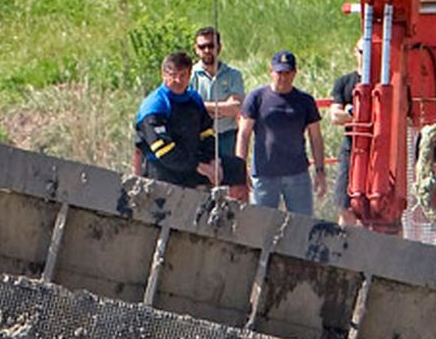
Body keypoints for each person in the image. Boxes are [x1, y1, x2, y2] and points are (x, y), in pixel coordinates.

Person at [135, 51, 246, 190]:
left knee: (236, 168)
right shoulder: (154, 105)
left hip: (192, 162)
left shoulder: (194, 99)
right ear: (163, 75)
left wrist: (212, 161)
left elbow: (207, 133)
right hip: (163, 167)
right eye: (173, 75)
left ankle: (237, 209)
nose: (178, 81)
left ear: (189, 75)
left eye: (183, 75)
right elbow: (163, 150)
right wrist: (198, 166)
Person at [236, 50, 326, 215]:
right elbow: (244, 134)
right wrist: (240, 168)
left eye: (287, 72)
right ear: (271, 72)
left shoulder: (305, 101)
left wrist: (320, 171)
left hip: (297, 174)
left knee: (302, 226)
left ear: (294, 73)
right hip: (264, 175)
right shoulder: (257, 98)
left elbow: (316, 137)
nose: (283, 77)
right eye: (279, 72)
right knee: (261, 226)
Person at [189, 26, 244, 159]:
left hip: (227, 137)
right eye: (202, 47)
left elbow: (235, 108)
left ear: (219, 47)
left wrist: (203, 105)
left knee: (229, 177)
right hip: (199, 138)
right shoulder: (189, 75)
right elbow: (189, 109)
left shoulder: (233, 75)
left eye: (211, 45)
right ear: (196, 49)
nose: (207, 50)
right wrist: (222, 107)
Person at [328, 40, 363, 226]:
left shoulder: (386, 82)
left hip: (378, 151)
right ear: (355, 52)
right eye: (362, 51)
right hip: (350, 149)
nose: (365, 56)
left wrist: (350, 112)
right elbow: (335, 116)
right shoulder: (344, 82)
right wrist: (355, 114)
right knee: (345, 207)